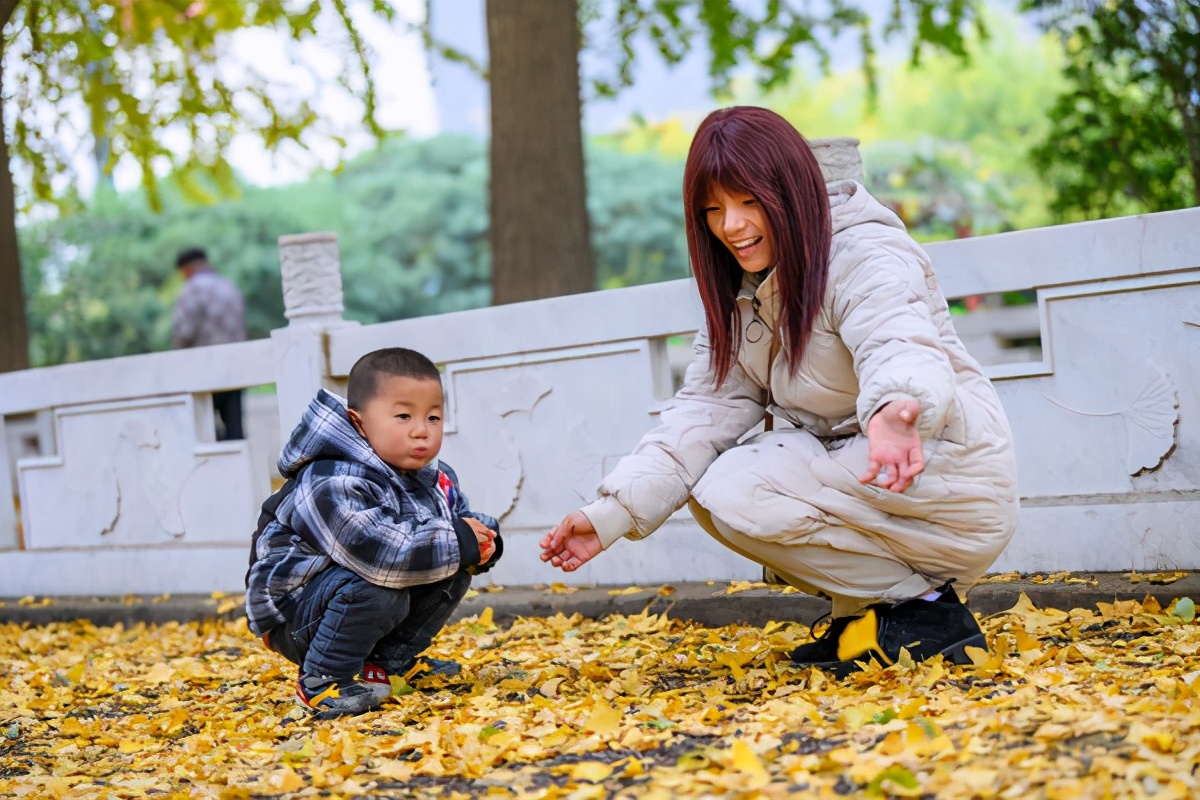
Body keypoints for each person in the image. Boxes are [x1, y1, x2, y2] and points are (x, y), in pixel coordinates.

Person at [540, 106, 1018, 678]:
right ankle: (869, 622)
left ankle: (930, 614)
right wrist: (611, 514)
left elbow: (898, 338)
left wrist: (897, 407)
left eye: (748, 202)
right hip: (871, 476)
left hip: (935, 466)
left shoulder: (864, 254)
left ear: (788, 190)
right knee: (716, 487)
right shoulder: (748, 291)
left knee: (738, 487)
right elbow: (702, 411)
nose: (731, 226)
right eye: (713, 209)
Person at [245, 347, 502, 719]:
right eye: (403, 416)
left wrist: (482, 539)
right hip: (297, 613)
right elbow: (376, 552)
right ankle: (321, 681)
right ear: (359, 421)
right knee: (382, 582)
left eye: (433, 417)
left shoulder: (432, 474)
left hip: (350, 594)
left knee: (451, 563)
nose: (421, 430)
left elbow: (454, 518)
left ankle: (387, 666)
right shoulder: (330, 478)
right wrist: (457, 540)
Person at [171, 247, 247, 440]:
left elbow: (184, 333)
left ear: (186, 269)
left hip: (205, 370)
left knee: (203, 431)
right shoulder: (228, 286)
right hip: (235, 368)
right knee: (235, 429)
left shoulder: (192, 289)